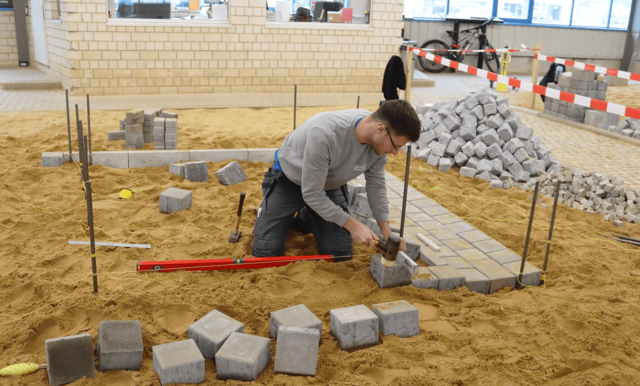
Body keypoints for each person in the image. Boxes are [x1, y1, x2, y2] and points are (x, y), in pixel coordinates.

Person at [252, 99, 421, 259]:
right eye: (396, 146)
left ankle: (308, 215)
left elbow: (376, 185)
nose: (395, 153)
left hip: (327, 186)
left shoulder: (380, 144)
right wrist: (354, 226)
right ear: (380, 130)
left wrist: (387, 231)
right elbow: (312, 194)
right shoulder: (325, 135)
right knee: (266, 251)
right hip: (290, 179)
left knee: (340, 252)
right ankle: (285, 210)